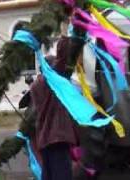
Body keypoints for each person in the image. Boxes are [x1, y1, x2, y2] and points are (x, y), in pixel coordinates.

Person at [30, 35, 85, 180]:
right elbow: (62, 58)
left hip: (45, 140)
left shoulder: (36, 86)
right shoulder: (51, 81)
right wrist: (67, 36)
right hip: (58, 138)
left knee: (48, 175)